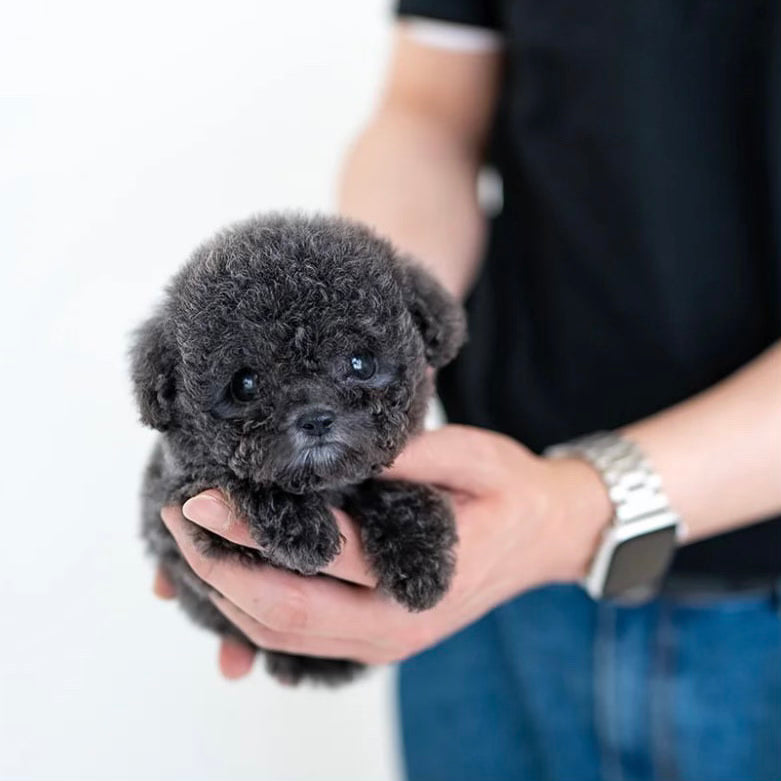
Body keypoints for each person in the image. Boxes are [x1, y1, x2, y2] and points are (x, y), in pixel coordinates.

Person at [154, 3, 781, 780]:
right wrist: (375, 338)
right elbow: (429, 112)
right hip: (477, 558)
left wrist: (567, 510)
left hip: (740, 601)